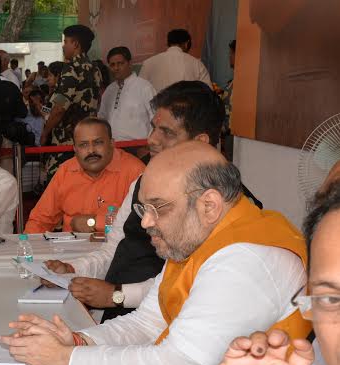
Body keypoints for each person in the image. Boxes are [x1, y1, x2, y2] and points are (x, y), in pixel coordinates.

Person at [2, 141, 311, 365]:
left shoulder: (246, 260)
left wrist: (68, 358)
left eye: (158, 208)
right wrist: (81, 341)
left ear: (209, 205)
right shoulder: (200, 235)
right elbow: (148, 322)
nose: (146, 222)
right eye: (143, 208)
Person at [153, 182, 340, 365]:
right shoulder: (325, 357)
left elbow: (174, 364)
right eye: (331, 298)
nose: (148, 220)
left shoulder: (250, 253)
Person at [45, 81, 261, 323]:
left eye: (167, 133)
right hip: (117, 314)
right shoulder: (142, 181)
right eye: (153, 128)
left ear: (201, 141)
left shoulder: (232, 205)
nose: (151, 140)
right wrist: (74, 270)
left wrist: (119, 295)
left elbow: (186, 284)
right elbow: (114, 250)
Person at [24, 117, 144, 233]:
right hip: (71, 251)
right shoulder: (66, 171)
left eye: (98, 143)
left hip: (119, 251)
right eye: (84, 145)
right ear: (75, 149)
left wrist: (94, 222)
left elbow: (145, 220)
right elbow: (40, 220)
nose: (91, 150)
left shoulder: (135, 171)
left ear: (112, 143)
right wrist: (27, 248)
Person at [41, 25, 101, 182]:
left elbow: (59, 108)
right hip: (88, 138)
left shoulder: (70, 69)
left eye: (66, 41)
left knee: (59, 184)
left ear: (75, 44)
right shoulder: (95, 69)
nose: (63, 46)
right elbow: (97, 101)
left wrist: (45, 132)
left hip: (66, 142)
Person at [97, 46, 156, 142]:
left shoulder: (144, 87)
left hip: (138, 147)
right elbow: (102, 118)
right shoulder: (109, 90)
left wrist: (147, 146)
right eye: (112, 65)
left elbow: (156, 118)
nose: (116, 68)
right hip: (113, 148)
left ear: (129, 64)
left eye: (120, 63)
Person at [139, 29, 211, 92]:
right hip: (187, 107)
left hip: (156, 106)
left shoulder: (148, 63)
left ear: (169, 43)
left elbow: (139, 91)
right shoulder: (197, 64)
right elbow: (208, 91)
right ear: (186, 43)